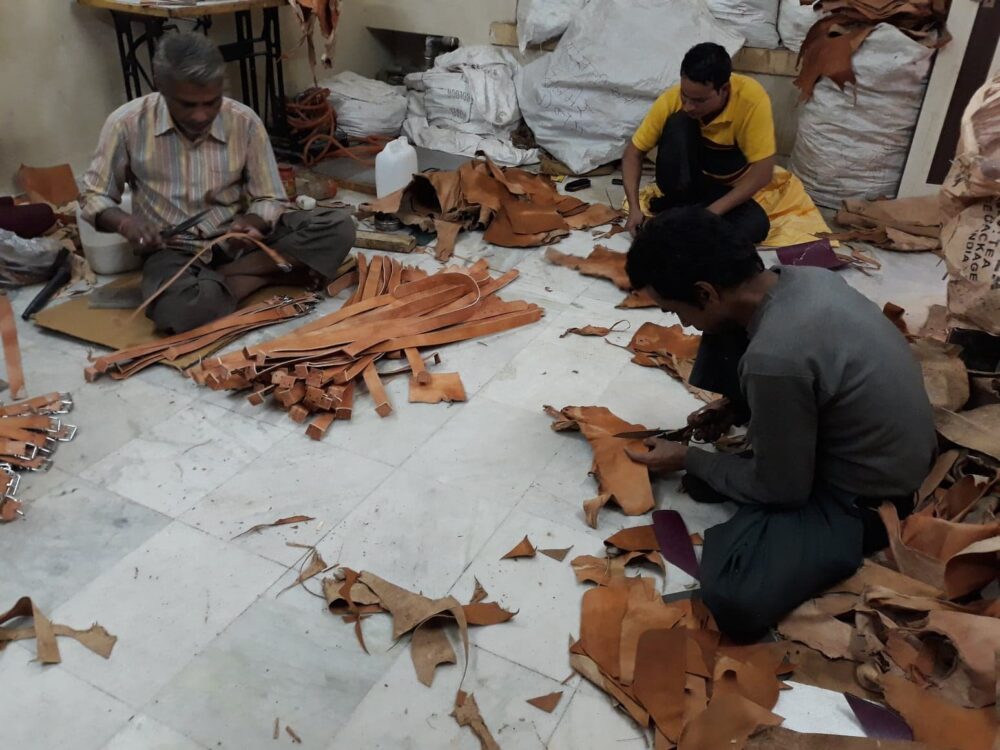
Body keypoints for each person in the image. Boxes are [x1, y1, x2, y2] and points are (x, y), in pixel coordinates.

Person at [624, 207, 937, 643]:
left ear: (704, 292)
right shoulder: (807, 279)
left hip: (870, 495)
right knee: (725, 339)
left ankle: (832, 533)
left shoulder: (773, 358)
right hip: (895, 443)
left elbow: (782, 489)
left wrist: (688, 458)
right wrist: (736, 406)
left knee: (735, 597)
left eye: (674, 310)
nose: (681, 325)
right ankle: (748, 448)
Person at [80, 32, 355, 333]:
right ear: (161, 87)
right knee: (177, 311)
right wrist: (125, 224)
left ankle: (223, 280)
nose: (201, 115)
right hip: (175, 251)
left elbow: (271, 197)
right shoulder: (127, 124)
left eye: (211, 103)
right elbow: (94, 196)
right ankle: (272, 274)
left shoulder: (244, 121)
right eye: (187, 105)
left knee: (338, 226)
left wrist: (254, 220)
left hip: (239, 243)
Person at [622, 43, 775, 244]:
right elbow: (633, 153)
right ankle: (680, 213)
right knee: (680, 122)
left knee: (756, 226)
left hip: (723, 190)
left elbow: (763, 172)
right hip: (683, 186)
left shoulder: (751, 99)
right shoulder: (671, 100)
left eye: (699, 100)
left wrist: (711, 214)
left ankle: (682, 219)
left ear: (724, 89)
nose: (688, 106)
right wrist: (634, 208)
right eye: (685, 96)